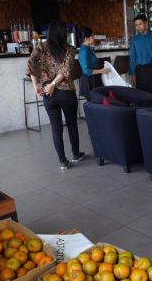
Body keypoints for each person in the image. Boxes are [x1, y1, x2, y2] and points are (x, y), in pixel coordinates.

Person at [27, 20, 86, 170]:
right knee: (72, 124)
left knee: (56, 128)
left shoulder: (41, 46)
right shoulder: (70, 49)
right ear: (63, 33)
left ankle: (63, 162)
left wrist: (37, 86)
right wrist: (53, 84)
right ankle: (75, 154)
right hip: (66, 93)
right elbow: (65, 70)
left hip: (49, 94)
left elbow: (31, 64)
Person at [129, 14, 152, 93]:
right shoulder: (135, 39)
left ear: (146, 23)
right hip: (140, 71)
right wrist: (132, 74)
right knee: (142, 97)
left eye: (140, 24)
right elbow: (132, 58)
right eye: (136, 25)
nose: (138, 27)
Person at [77, 26, 109, 100]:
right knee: (94, 105)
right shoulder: (84, 51)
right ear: (86, 39)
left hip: (94, 79)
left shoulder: (88, 48)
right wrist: (101, 71)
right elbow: (86, 71)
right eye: (92, 36)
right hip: (89, 81)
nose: (94, 37)